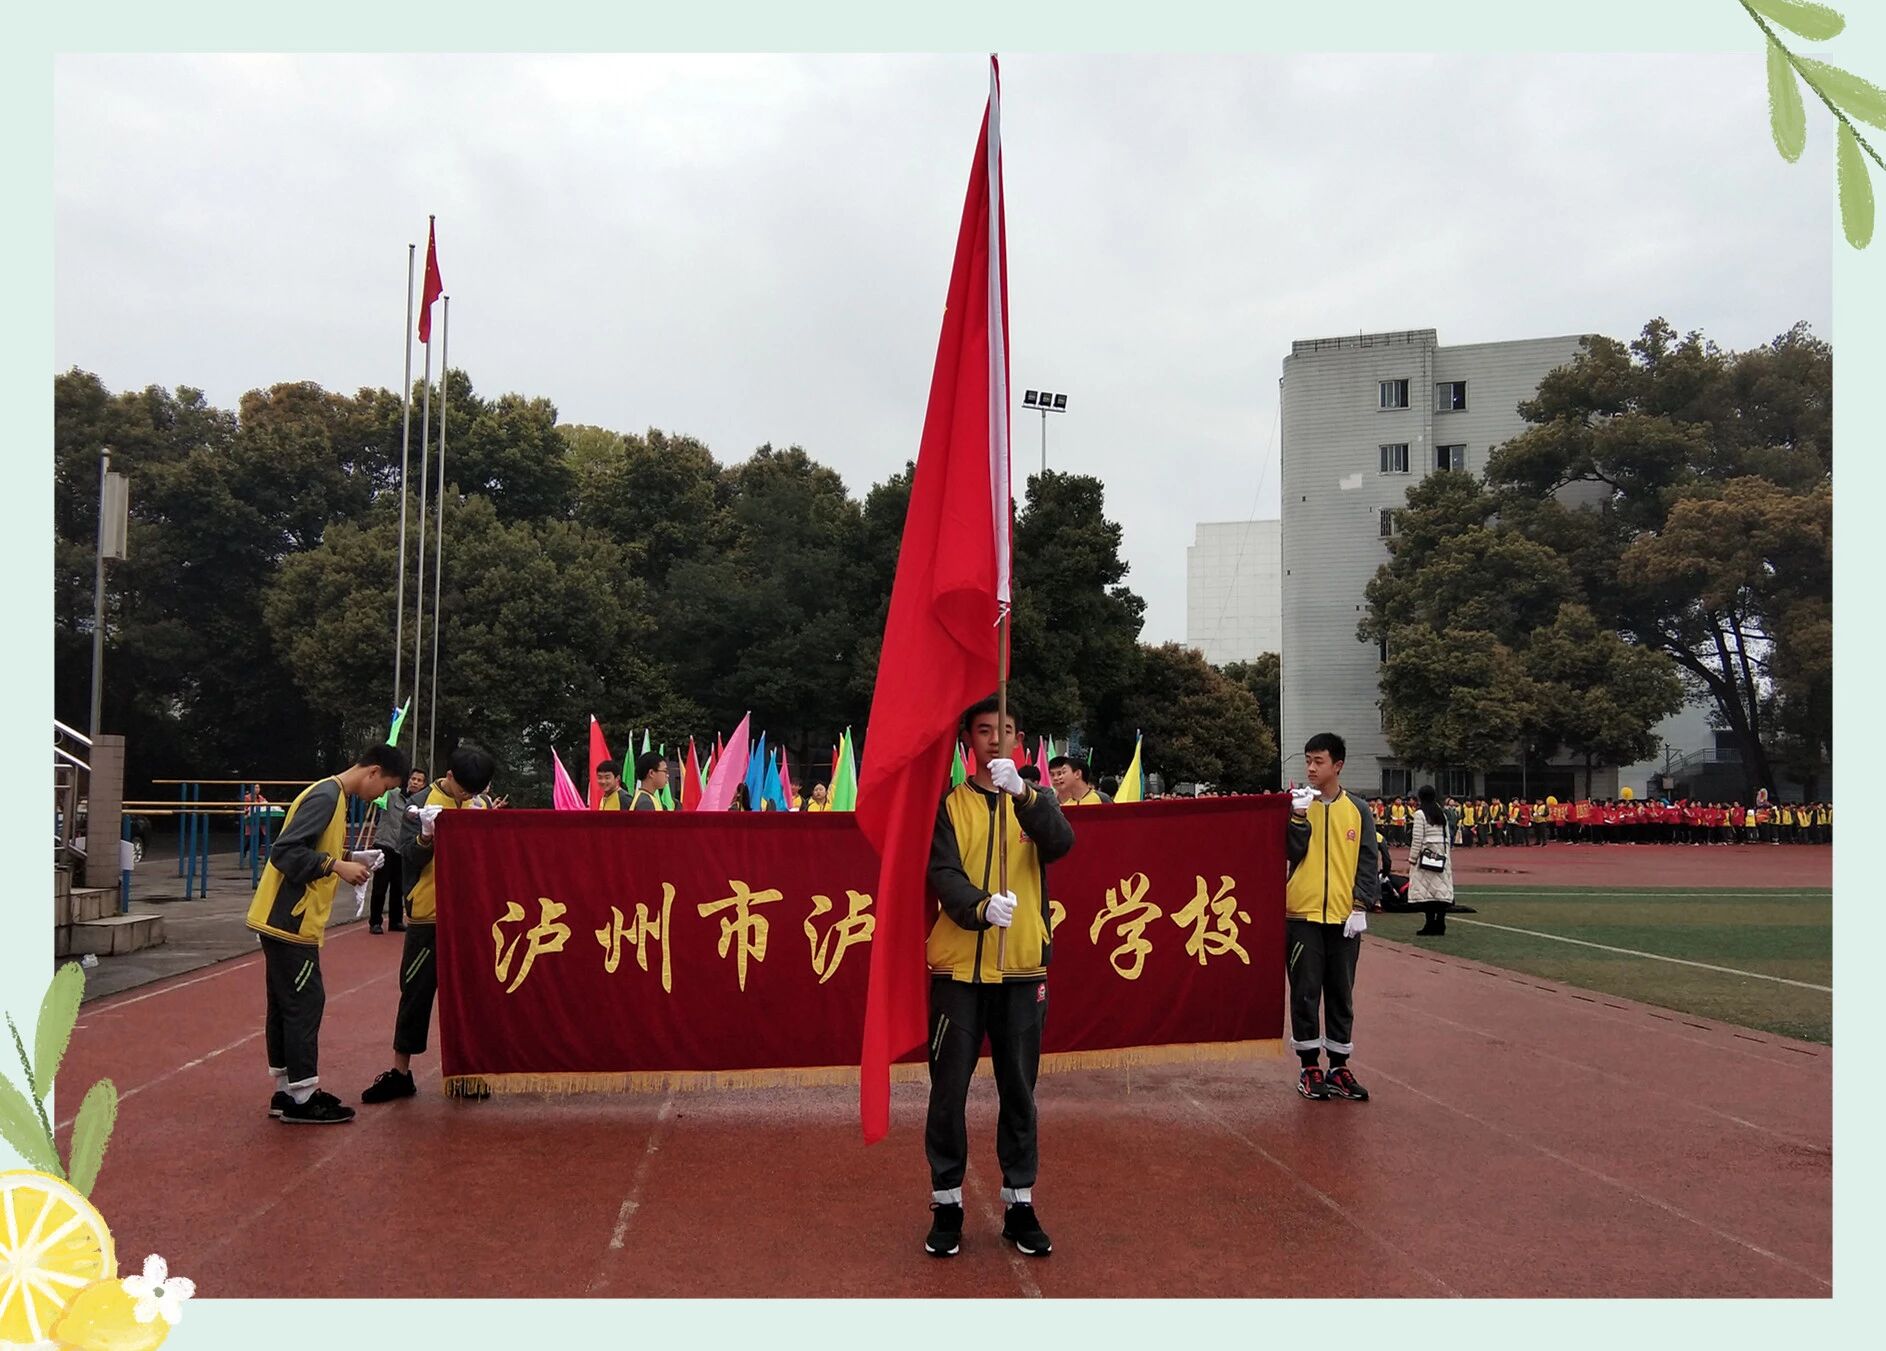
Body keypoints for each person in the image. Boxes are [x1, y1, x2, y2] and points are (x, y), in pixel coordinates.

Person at [923, 696, 1075, 1261]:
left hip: (1021, 970)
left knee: (1019, 1091)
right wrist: (979, 907)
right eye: (984, 730)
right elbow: (941, 871)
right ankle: (947, 1204)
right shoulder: (949, 806)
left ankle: (1019, 1204)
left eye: (1004, 730)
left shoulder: (1035, 801)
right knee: (948, 1093)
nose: (994, 739)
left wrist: (1025, 796)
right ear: (968, 739)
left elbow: (1061, 844)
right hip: (959, 971)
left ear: (1018, 738)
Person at [246, 743, 410, 1125]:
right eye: (385, 787)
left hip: (286, 920)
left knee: (288, 1005)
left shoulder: (331, 794)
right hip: (290, 921)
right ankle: (302, 1098)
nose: (381, 796)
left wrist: (352, 858)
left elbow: (312, 849)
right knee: (304, 1003)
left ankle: (288, 1092)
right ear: (372, 772)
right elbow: (284, 852)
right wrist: (336, 865)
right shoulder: (326, 795)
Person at [360, 745, 497, 1105]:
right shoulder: (418, 804)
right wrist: (425, 836)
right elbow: (408, 856)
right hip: (428, 914)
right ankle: (400, 1073)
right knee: (416, 993)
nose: (468, 796)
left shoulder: (477, 804)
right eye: (465, 789)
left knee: (470, 996)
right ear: (449, 776)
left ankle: (468, 1072)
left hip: (468, 916)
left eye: (475, 791)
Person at [1284, 732, 1377, 1105]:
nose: (1310, 768)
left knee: (1341, 992)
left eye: (1318, 761)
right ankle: (1310, 1066)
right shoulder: (1295, 806)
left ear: (1337, 766)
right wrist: (1298, 818)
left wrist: (1360, 906)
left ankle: (1339, 1065)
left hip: (1343, 917)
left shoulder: (1357, 810)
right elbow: (1291, 852)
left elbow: (1367, 860)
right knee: (1305, 992)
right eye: (1307, 760)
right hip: (1302, 914)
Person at [369, 767, 428, 934]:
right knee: (380, 885)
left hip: (403, 848)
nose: (415, 782)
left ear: (423, 784)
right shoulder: (392, 794)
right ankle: (375, 921)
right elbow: (379, 789)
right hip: (385, 844)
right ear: (408, 779)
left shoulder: (421, 803)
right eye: (413, 779)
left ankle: (395, 921)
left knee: (399, 886)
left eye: (419, 780)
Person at [1408, 785, 1456, 936]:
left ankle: (1429, 924)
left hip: (1426, 856)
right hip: (1441, 855)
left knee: (1426, 892)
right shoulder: (1441, 813)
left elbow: (1417, 838)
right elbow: (1448, 837)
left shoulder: (1420, 814)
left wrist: (1412, 857)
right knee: (1440, 892)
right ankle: (1440, 923)